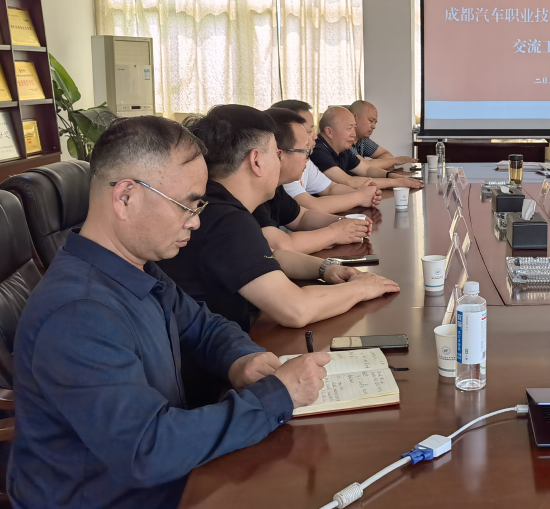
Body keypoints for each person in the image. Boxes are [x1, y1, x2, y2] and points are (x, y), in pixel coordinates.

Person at [7, 116, 332, 509]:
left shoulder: (135, 268)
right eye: (186, 206)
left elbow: (202, 326)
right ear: (126, 197)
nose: (195, 222)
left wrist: (242, 360)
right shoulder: (79, 314)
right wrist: (277, 395)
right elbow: (148, 449)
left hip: (174, 476)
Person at [159, 105, 399, 334]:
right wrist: (362, 287)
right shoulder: (226, 221)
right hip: (212, 357)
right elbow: (296, 309)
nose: (280, 160)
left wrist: (325, 267)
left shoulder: (216, 202)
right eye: (276, 153)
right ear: (256, 161)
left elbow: (270, 254)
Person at [257, 106, 375, 254]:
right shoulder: (252, 196)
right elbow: (281, 246)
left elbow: (302, 217)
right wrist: (335, 233)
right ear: (278, 154)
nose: (308, 159)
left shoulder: (275, 188)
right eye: (305, 151)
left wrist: (343, 222)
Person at [271, 99, 382, 214]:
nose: (315, 136)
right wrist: (359, 197)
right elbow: (312, 206)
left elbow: (330, 188)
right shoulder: (285, 169)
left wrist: (363, 193)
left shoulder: (305, 161)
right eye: (309, 131)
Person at [312, 106, 423, 190]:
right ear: (329, 132)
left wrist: (393, 176)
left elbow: (366, 170)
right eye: (349, 128)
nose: (353, 134)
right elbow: (348, 182)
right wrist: (396, 182)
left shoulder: (342, 149)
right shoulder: (317, 150)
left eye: (354, 128)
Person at [348, 99, 418, 170]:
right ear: (354, 118)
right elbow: (363, 166)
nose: (374, 126)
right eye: (371, 121)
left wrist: (374, 164)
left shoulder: (362, 140)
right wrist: (395, 160)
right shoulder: (344, 142)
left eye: (375, 123)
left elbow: (387, 155)